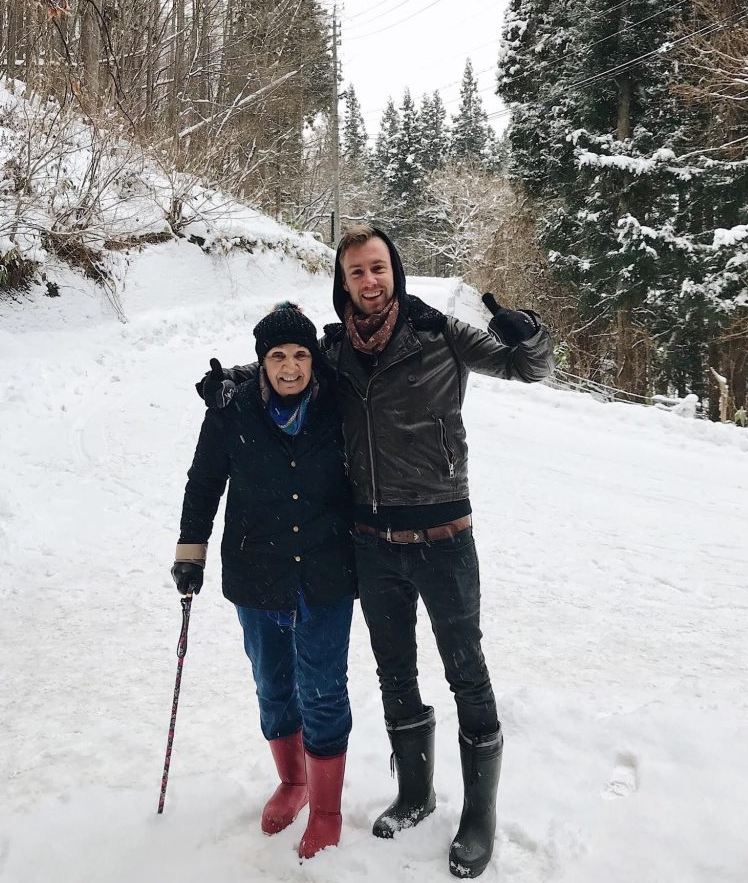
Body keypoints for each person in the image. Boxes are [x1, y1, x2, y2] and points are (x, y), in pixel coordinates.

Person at [197, 227, 555, 878]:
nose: (369, 280)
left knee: (465, 673)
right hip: (372, 543)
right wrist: (235, 383)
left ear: (395, 270)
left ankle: (478, 815)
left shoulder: (439, 331)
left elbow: (528, 367)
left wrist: (524, 330)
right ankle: (415, 794)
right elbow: (286, 365)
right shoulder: (333, 351)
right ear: (343, 283)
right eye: (356, 271)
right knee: (396, 672)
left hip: (445, 535)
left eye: (378, 267)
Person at [173, 301, 356, 858]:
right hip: (257, 572)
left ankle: (326, 808)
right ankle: (294, 781)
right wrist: (190, 552)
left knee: (323, 690)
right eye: (278, 356)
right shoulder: (232, 410)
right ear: (262, 362)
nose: (291, 367)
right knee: (273, 683)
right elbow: (204, 483)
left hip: (325, 571)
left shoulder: (337, 406)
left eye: (301, 355)